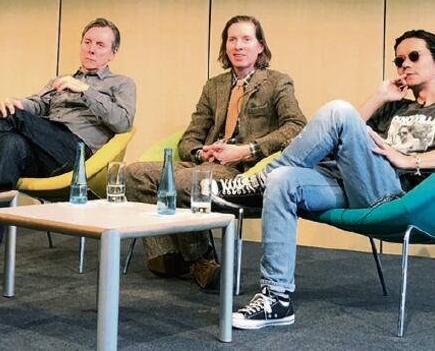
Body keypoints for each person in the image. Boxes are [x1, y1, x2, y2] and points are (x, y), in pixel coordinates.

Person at [212, 29, 435, 330]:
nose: (405, 65)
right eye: (399, 60)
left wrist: (407, 160)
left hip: (397, 196)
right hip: (356, 185)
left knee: (337, 109)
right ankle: (277, 299)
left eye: (414, 57)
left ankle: (259, 180)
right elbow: (340, 136)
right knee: (284, 180)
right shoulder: (393, 107)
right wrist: (379, 97)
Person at [125, 15, 305, 290]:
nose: (238, 46)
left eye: (246, 39)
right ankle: (173, 255)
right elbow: (190, 137)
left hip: (245, 169)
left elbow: (296, 127)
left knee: (188, 182)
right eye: (232, 39)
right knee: (133, 174)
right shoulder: (215, 86)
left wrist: (247, 150)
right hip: (209, 164)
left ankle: (201, 260)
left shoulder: (277, 82)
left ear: (260, 47)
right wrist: (201, 152)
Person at [0, 17, 137, 280]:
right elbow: (37, 104)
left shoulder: (121, 84)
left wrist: (85, 90)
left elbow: (123, 122)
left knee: (12, 120)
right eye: (87, 42)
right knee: (9, 141)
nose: (91, 49)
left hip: (77, 157)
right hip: (44, 151)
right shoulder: (62, 80)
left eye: (100, 45)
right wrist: (17, 103)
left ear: (113, 53)